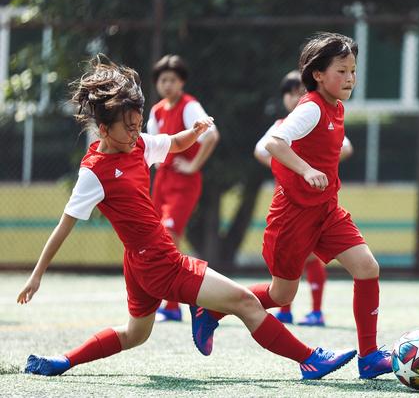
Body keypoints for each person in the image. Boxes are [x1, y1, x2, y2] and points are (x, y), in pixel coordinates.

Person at [16, 55, 356, 380]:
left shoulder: (136, 145)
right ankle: (310, 359)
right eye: (128, 128)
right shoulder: (93, 173)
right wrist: (36, 275)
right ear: (103, 130)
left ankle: (61, 361)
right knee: (245, 302)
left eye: (138, 126)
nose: (136, 133)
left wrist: (194, 131)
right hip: (158, 262)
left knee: (136, 334)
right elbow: (64, 227)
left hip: (142, 261)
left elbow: (173, 143)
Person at [203, 32, 392, 379]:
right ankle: (213, 310)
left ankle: (369, 357)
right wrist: (305, 170)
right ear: (318, 74)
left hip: (327, 211)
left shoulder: (337, 107)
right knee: (282, 292)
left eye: (353, 70)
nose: (350, 78)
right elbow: (275, 142)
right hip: (293, 217)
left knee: (367, 267)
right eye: (342, 71)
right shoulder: (310, 108)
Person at [254, 70, 353, 327]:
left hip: (320, 202)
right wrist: (293, 168)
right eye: (290, 92)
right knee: (287, 271)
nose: (296, 96)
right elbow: (263, 149)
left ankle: (316, 311)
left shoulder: (322, 113)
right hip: (290, 202)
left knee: (316, 257)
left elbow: (346, 146)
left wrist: (322, 166)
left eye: (300, 91)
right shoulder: (282, 126)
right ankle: (283, 310)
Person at [147, 54, 220, 322]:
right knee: (157, 238)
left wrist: (193, 166)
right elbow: (151, 145)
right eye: (163, 80)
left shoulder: (190, 107)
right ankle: (164, 299)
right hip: (163, 182)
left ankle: (173, 304)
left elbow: (211, 136)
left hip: (184, 182)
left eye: (172, 80)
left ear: (182, 82)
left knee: (169, 233)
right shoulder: (156, 111)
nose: (167, 85)